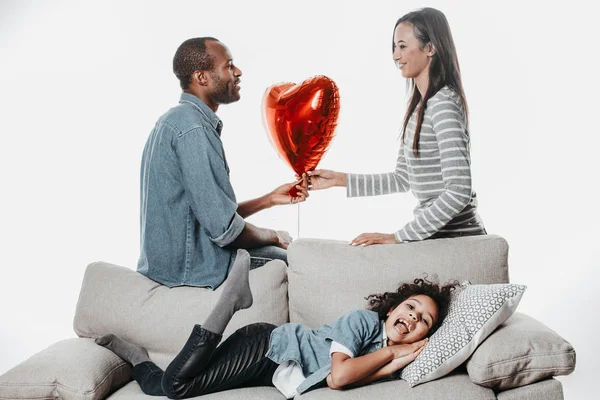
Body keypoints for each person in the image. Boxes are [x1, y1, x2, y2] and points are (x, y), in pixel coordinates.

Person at [96, 249, 458, 398]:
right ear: (392, 309)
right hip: (266, 348)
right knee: (176, 387)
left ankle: (136, 355)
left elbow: (357, 377)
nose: (412, 317)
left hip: (267, 372)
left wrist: (398, 358)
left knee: (163, 384)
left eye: (424, 320)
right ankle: (231, 302)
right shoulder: (364, 323)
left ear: (428, 333)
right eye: (410, 307)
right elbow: (340, 377)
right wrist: (400, 352)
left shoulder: (389, 357)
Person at [137, 37, 308, 289]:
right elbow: (225, 232)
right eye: (228, 66)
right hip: (193, 271)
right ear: (201, 77)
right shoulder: (193, 129)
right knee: (301, 262)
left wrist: (269, 199)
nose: (237, 72)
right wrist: (275, 235)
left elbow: (209, 217)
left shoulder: (176, 121)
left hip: (176, 266)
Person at [307, 8, 486, 246]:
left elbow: (459, 190)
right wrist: (339, 180)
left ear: (431, 48)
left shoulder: (442, 103)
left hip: (457, 240)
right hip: (434, 238)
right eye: (394, 47)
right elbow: (403, 178)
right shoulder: (418, 108)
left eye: (402, 46)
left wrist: (399, 237)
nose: (395, 55)